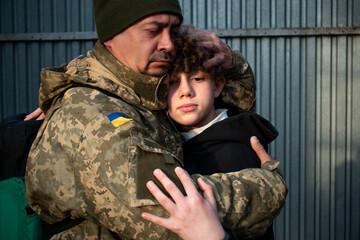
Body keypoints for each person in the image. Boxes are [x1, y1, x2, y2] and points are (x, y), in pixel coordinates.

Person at [25, 0, 287, 239]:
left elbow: (227, 98)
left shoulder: (137, 85)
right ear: (112, 36)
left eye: (173, 31)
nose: (169, 44)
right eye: (153, 31)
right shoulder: (96, 119)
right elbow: (174, 210)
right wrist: (268, 187)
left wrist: (231, 63)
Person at [142, 26, 279, 239]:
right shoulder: (165, 140)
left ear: (218, 86)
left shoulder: (235, 151)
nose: (186, 91)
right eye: (173, 83)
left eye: (197, 79)